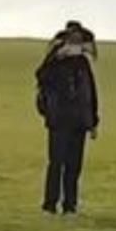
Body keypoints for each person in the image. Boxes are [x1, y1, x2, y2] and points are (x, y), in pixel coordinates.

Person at [35, 20, 100, 214]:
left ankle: (70, 204)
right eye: (72, 40)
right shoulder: (55, 62)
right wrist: (55, 58)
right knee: (56, 163)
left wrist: (94, 121)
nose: (75, 44)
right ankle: (50, 203)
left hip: (79, 121)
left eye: (78, 40)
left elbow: (91, 93)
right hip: (59, 120)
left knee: (74, 165)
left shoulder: (83, 63)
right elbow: (41, 77)